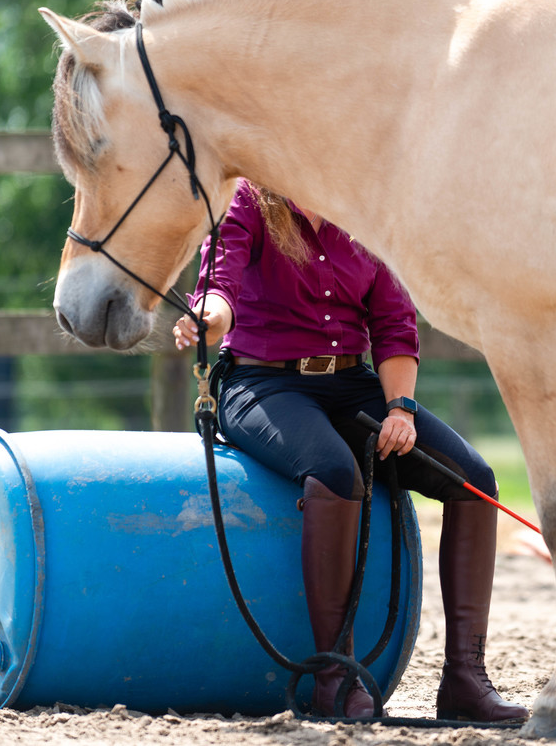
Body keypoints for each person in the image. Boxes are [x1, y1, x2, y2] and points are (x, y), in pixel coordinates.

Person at [173, 180, 527, 723]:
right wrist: (211, 317)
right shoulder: (247, 198)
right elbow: (218, 283)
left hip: (353, 382)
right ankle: (334, 677)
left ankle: (465, 679)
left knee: (473, 481)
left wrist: (401, 409)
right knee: (336, 472)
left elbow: (393, 322)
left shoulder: (366, 201)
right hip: (261, 386)